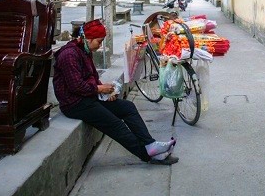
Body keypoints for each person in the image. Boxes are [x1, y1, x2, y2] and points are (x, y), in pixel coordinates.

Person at [53, 19, 178, 165]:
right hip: (74, 103)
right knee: (115, 125)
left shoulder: (84, 50)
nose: (100, 46)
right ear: (88, 38)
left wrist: (104, 92)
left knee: (127, 107)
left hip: (88, 96)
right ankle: (149, 156)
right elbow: (76, 86)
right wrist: (99, 89)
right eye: (98, 42)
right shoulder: (69, 54)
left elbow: (92, 77)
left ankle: (150, 144)